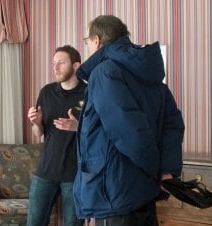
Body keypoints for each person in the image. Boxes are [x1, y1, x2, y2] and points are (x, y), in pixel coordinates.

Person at [73, 15, 185, 226]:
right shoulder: (150, 73)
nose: (87, 46)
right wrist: (166, 170)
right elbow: (172, 124)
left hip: (114, 195)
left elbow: (129, 132)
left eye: (86, 41)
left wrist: (154, 170)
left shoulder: (104, 72)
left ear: (97, 40)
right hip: (143, 193)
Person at [27, 45, 86, 226]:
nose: (56, 67)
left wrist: (79, 128)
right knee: (34, 223)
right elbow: (39, 134)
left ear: (76, 65)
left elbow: (100, 133)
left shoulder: (89, 93)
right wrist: (36, 124)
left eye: (61, 62)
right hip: (46, 170)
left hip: (75, 174)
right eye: (54, 63)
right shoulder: (46, 92)